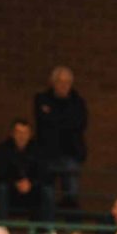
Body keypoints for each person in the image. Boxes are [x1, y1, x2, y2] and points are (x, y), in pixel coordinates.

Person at [35, 66, 87, 207]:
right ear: (53, 82)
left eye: (67, 82)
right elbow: (44, 123)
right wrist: (64, 120)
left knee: (71, 193)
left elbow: (79, 124)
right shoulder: (42, 99)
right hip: (47, 153)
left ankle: (69, 220)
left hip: (71, 153)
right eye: (60, 81)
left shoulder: (78, 102)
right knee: (46, 193)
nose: (64, 85)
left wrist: (54, 117)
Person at [0, 118, 53, 221]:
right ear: (12, 134)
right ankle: (2, 226)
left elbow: (45, 173)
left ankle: (48, 228)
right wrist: (15, 183)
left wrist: (31, 183)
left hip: (33, 191)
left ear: (30, 134)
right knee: (1, 188)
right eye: (18, 132)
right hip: (11, 191)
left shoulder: (38, 150)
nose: (22, 136)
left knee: (47, 190)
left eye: (25, 133)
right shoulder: (2, 149)